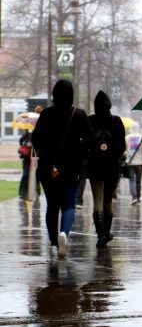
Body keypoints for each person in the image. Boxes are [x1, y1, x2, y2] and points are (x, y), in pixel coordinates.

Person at [32, 79, 95, 257]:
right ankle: (64, 233)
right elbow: (91, 142)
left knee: (52, 206)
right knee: (68, 204)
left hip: (48, 167)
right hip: (72, 167)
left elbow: (35, 141)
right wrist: (82, 154)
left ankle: (53, 243)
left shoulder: (46, 114)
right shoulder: (80, 115)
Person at [88, 90, 126, 248]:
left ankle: (100, 234)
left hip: (95, 166)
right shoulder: (116, 121)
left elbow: (86, 144)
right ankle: (106, 233)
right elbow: (121, 146)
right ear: (109, 105)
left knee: (97, 201)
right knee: (108, 201)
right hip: (111, 167)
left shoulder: (90, 120)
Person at [125, 122, 142, 205]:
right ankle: (138, 197)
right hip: (139, 164)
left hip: (130, 163)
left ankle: (134, 197)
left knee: (131, 180)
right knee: (138, 181)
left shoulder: (127, 138)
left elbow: (124, 150)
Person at [18, 129, 33, 200]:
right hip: (27, 159)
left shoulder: (40, 134)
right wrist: (26, 144)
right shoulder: (28, 134)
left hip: (35, 159)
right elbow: (21, 142)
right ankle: (22, 193)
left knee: (35, 177)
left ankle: (34, 192)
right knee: (25, 175)